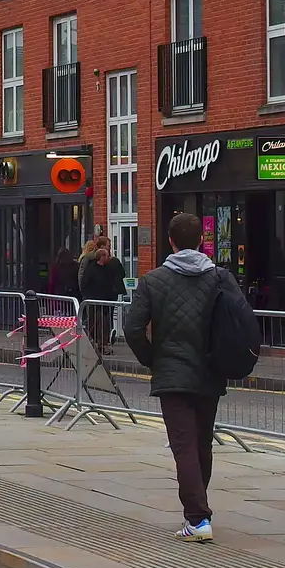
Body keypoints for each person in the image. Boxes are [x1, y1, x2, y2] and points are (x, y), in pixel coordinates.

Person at [122, 212, 230, 543]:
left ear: (170, 241)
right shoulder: (220, 278)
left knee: (184, 445)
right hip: (210, 372)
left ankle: (197, 518)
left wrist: (152, 359)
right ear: (201, 241)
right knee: (201, 444)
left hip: (172, 373)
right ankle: (198, 510)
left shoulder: (152, 281)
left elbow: (132, 328)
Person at [79, 235, 128, 352]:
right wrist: (86, 295)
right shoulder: (90, 263)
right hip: (93, 299)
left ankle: (102, 343)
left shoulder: (110, 265)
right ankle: (92, 342)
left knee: (104, 322)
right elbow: (83, 280)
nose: (109, 250)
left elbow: (117, 276)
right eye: (108, 247)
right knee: (95, 322)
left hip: (105, 298)